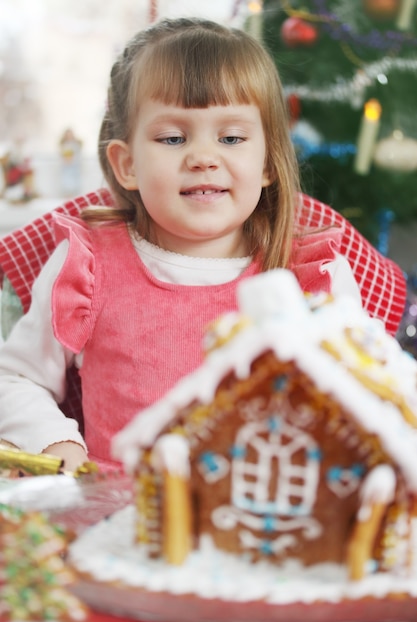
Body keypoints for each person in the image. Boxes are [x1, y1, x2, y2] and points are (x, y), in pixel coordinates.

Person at [0, 17, 362, 473]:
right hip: (120, 525)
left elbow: (363, 395)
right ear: (127, 164)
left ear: (268, 160)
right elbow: (14, 377)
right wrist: (53, 441)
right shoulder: (86, 266)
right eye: (173, 138)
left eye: (231, 138)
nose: (203, 158)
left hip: (263, 527)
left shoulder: (313, 274)